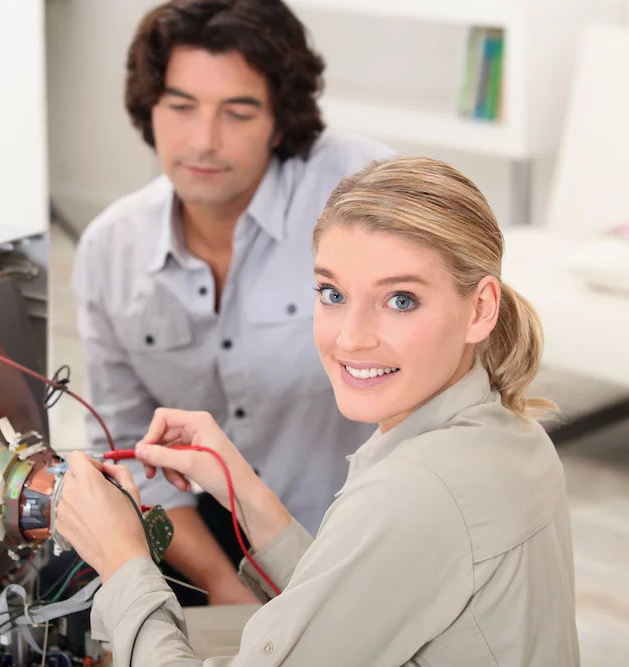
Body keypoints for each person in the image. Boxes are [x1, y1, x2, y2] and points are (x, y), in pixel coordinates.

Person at [56, 156, 579, 666]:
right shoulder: (515, 435)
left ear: (480, 309)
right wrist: (244, 490)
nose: (350, 338)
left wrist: (123, 561)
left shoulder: (417, 490)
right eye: (332, 293)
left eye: (400, 300)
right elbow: (360, 602)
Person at [71, 0, 394, 606]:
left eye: (237, 112)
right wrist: (224, 588)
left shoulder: (365, 188)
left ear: (279, 121)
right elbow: (128, 444)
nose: (204, 140)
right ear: (150, 110)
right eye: (181, 106)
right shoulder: (110, 251)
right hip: (206, 533)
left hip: (359, 527)